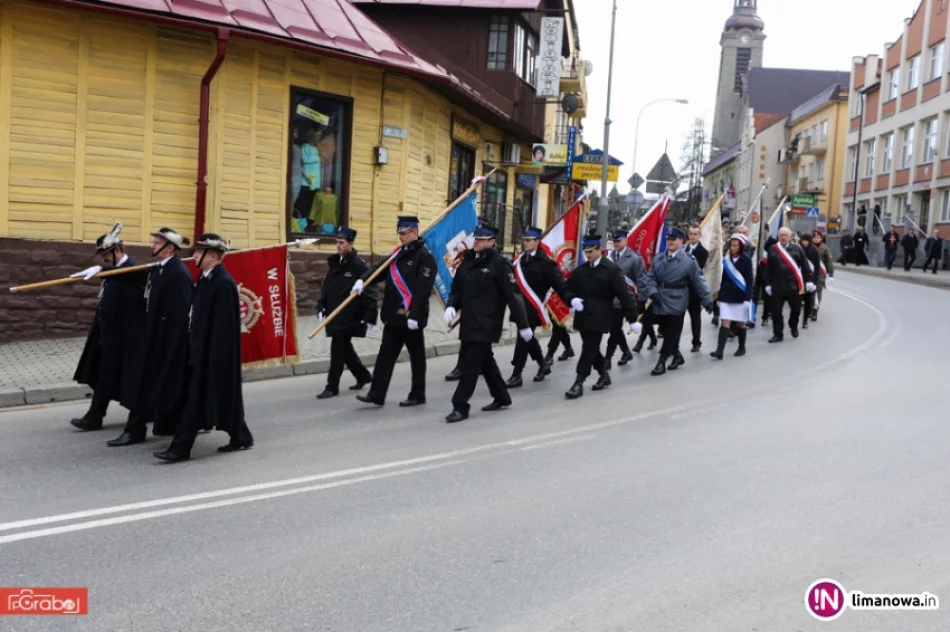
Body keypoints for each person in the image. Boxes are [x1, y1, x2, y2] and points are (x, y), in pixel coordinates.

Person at [154, 234, 254, 463]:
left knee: (196, 401)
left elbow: (224, 328)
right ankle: (241, 435)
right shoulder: (206, 279)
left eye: (198, 252)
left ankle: (180, 449)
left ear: (212, 256)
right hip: (198, 351)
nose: (194, 255)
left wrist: (210, 357)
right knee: (223, 398)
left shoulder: (223, 283)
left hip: (212, 355)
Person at [106, 227, 193, 447]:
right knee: (143, 384)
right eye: (153, 241)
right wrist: (102, 270)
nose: (152, 245)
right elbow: (137, 280)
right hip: (151, 337)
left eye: (156, 242)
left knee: (160, 385)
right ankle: (139, 428)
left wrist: (171, 347)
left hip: (165, 342)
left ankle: (143, 428)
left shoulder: (178, 273)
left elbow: (180, 315)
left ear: (170, 247)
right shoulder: (159, 269)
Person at [443, 224, 531, 423]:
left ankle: (460, 406)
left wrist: (523, 325)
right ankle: (501, 396)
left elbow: (514, 296)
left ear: (492, 242)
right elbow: (457, 289)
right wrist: (451, 306)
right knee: (485, 361)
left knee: (470, 364)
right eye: (477, 239)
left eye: (482, 239)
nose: (477, 242)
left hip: (487, 323)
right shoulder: (466, 261)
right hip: (469, 322)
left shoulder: (499, 264)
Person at [69, 223, 146, 433]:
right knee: (103, 375)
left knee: (125, 379)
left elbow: (134, 310)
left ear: (118, 250)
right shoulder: (112, 271)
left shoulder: (132, 271)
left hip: (126, 338)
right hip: (107, 334)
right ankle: (95, 416)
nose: (102, 259)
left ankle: (99, 416)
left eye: (105, 254)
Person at [354, 216, 437, 407]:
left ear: (415, 233)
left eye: (405, 233)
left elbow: (423, 290)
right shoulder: (397, 254)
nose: (401, 236)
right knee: (385, 356)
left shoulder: (425, 257)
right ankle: (377, 393)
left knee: (417, 358)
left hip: (410, 317)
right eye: (399, 233)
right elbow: (378, 270)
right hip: (393, 316)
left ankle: (418, 394)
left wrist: (415, 315)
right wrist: (363, 280)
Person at [564, 234, 638, 399]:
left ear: (600, 250)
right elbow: (567, 287)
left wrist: (632, 319)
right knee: (592, 349)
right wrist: (571, 299)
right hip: (583, 317)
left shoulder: (611, 270)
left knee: (588, 348)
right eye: (586, 252)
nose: (588, 255)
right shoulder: (582, 269)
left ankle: (579, 382)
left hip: (600, 317)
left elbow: (625, 295)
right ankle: (604, 375)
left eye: (591, 251)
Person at [506, 226, 580, 388]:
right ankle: (542, 365)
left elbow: (560, 285)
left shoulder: (546, 263)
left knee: (522, 339)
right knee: (528, 338)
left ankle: (517, 374)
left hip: (533, 308)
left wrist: (571, 300)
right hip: (519, 307)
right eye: (524, 240)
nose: (526, 243)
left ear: (537, 242)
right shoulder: (519, 260)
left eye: (529, 240)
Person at [315, 227, 377, 400]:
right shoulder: (335, 263)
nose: (338, 245)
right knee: (345, 349)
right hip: (335, 313)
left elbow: (371, 290)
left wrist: (370, 316)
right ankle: (363, 376)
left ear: (351, 244)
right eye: (337, 242)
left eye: (342, 243)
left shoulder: (359, 265)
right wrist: (321, 306)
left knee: (337, 348)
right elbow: (327, 288)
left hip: (350, 315)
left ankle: (332, 385)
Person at [642, 228, 714, 377]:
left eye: (674, 239)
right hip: (660, 298)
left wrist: (707, 300)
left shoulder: (688, 261)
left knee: (671, 332)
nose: (670, 242)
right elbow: (650, 278)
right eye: (669, 239)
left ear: (681, 241)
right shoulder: (659, 258)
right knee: (664, 328)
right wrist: (652, 291)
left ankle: (661, 362)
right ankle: (677, 356)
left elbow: (699, 281)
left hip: (678, 299)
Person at [604, 229, 647, 368]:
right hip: (612, 300)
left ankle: (607, 359)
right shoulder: (610, 256)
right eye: (614, 241)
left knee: (614, 329)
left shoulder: (635, 259)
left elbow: (641, 280)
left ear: (626, 241)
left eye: (618, 241)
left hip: (627, 300)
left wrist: (641, 300)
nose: (615, 244)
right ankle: (626, 352)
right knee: (614, 329)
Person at [710, 234, 754, 360]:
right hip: (726, 296)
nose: (733, 248)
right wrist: (718, 297)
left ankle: (741, 347)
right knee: (725, 322)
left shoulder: (746, 260)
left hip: (740, 296)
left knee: (740, 323)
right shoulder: (725, 261)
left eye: (735, 246)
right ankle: (719, 350)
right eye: (731, 245)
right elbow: (721, 279)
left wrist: (747, 298)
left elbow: (749, 280)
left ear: (741, 247)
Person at [765, 227, 810, 343]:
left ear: (790, 237)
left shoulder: (797, 249)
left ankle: (793, 325)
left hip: (793, 286)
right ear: (778, 237)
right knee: (776, 312)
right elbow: (768, 269)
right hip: (777, 285)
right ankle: (778, 334)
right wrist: (768, 284)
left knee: (796, 309)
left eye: (786, 235)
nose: (784, 237)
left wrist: (808, 281)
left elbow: (805, 266)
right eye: (781, 235)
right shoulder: (772, 249)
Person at [683, 225, 709, 352]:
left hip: (694, 289)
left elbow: (698, 270)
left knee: (695, 317)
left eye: (695, 234)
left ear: (700, 236)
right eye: (691, 234)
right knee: (677, 317)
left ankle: (696, 342)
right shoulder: (684, 249)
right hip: (682, 289)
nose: (693, 236)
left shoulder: (703, 252)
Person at [797, 232, 821, 329]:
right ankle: (796, 320)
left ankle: (805, 320)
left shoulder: (814, 250)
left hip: (809, 280)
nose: (804, 243)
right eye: (803, 240)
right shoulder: (798, 249)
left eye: (806, 241)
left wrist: (814, 282)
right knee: (797, 301)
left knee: (808, 301)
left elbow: (817, 267)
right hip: (799, 278)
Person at [812, 231, 835, 321]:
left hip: (820, 274)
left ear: (821, 238)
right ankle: (810, 308)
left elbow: (829, 262)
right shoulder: (808, 247)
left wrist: (831, 274)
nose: (816, 238)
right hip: (809, 273)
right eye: (814, 237)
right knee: (810, 293)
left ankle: (815, 311)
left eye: (818, 237)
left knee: (817, 293)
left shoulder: (825, 248)